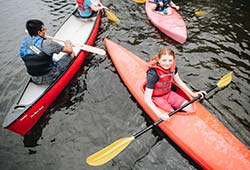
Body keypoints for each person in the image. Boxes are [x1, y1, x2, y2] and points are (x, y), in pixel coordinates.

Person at [144, 47, 206, 120]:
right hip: (156, 97)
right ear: (158, 59)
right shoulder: (153, 74)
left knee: (190, 108)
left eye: (170, 60)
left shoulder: (173, 68)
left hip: (169, 94)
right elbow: (147, 98)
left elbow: (178, 81)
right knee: (172, 115)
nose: (167, 64)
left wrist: (193, 94)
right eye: (164, 60)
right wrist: (159, 114)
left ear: (173, 60)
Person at [20, 19, 75, 85]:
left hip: (34, 78)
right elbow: (69, 50)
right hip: (50, 78)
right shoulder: (48, 43)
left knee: (45, 57)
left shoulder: (24, 43)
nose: (45, 31)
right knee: (71, 54)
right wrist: (67, 43)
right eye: (43, 30)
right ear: (39, 32)